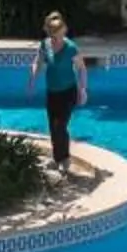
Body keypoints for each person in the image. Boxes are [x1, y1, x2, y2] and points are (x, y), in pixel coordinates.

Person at [27, 11, 87, 172]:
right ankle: (57, 158)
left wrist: (82, 89)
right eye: (55, 36)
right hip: (52, 92)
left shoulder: (71, 48)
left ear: (64, 30)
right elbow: (38, 62)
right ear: (50, 33)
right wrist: (32, 77)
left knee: (60, 126)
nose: (58, 39)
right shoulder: (45, 45)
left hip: (68, 92)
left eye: (60, 34)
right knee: (53, 128)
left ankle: (65, 158)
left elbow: (82, 69)